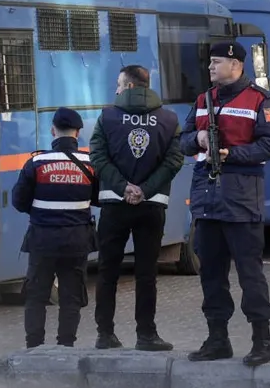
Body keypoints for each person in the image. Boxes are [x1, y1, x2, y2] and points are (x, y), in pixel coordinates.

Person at [179, 41, 270, 367]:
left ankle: (261, 341)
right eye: (209, 62)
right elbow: (182, 141)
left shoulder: (259, 100)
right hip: (207, 200)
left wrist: (231, 153)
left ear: (236, 64)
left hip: (241, 200)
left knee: (250, 274)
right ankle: (217, 339)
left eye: (216, 61)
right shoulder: (202, 100)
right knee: (211, 274)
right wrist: (198, 139)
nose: (210, 67)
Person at [89, 65, 184, 351]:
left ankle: (105, 334)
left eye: (119, 84)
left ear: (130, 87)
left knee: (107, 271)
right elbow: (174, 161)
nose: (116, 90)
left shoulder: (107, 117)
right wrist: (145, 189)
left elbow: (97, 156)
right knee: (146, 273)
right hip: (151, 206)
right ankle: (147, 335)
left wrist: (123, 187)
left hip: (114, 205)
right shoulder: (169, 119)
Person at [11, 107, 96, 349]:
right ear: (77, 133)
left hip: (42, 240)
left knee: (37, 296)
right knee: (71, 297)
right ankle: (66, 346)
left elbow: (19, 201)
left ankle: (34, 347)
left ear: (52, 131)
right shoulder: (90, 164)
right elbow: (99, 198)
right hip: (77, 241)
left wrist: (42, 213)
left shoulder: (36, 163)